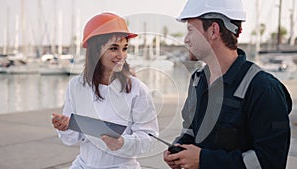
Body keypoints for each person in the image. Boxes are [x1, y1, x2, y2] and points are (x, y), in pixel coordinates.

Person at [163, 0, 292, 169]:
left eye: (190, 30)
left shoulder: (264, 88)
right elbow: (191, 129)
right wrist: (179, 148)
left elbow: (270, 162)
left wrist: (204, 160)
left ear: (213, 31)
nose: (186, 39)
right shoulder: (198, 80)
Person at [51, 12, 159, 169]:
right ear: (96, 51)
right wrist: (66, 127)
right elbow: (71, 140)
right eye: (114, 48)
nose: (121, 55)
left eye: (125, 48)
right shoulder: (76, 86)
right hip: (83, 165)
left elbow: (149, 138)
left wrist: (123, 143)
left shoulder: (137, 89)